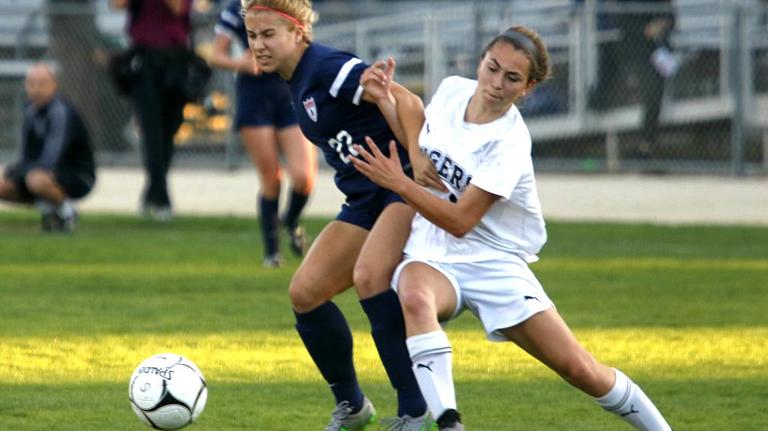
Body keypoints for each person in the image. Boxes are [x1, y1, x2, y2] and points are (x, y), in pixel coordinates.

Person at [351, 26, 673, 431]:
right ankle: (448, 422)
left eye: (512, 78)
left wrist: (397, 182)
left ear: (529, 87)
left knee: (580, 369)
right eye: (492, 68)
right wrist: (389, 109)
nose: (496, 83)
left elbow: (462, 221)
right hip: (434, 249)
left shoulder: (509, 142)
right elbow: (424, 137)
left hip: (493, 260)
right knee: (415, 295)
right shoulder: (453, 89)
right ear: (482, 61)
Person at [240, 1, 432, 430]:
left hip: (400, 190)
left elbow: (407, 100)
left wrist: (416, 160)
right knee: (305, 293)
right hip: (364, 201)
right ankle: (353, 405)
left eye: (268, 34)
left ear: (298, 33)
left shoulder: (327, 66)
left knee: (370, 278)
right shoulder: (295, 79)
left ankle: (416, 408)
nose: (259, 45)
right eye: (252, 36)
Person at [209, 0, 317, 266]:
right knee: (271, 178)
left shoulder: (292, 5)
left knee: (304, 177)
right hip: (254, 96)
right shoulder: (237, 9)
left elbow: (307, 45)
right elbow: (215, 55)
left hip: (289, 93)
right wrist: (241, 64)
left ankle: (289, 221)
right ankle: (272, 253)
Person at [110, 0, 193, 221]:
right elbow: (116, 4)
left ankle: (151, 192)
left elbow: (177, 7)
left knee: (170, 128)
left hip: (175, 59)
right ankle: (162, 199)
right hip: (145, 60)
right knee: (151, 129)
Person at [0, 63, 96, 233]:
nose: (37, 89)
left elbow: (51, 159)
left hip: (76, 175)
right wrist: (15, 171)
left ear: (54, 85)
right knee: (4, 184)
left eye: (42, 83)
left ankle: (67, 211)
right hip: (41, 173)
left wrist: (19, 171)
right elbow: (27, 155)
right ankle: (50, 210)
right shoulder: (30, 111)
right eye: (32, 83)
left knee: (35, 179)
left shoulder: (61, 112)